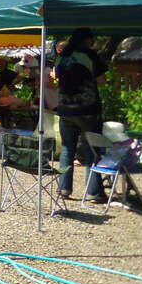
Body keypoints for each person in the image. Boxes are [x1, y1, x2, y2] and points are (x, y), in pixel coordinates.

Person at [54, 28, 109, 202]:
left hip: (65, 109)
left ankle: (64, 189)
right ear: (87, 40)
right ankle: (93, 192)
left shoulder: (61, 56)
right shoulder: (89, 55)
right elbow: (101, 81)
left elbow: (56, 76)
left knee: (67, 148)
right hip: (87, 109)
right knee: (92, 150)